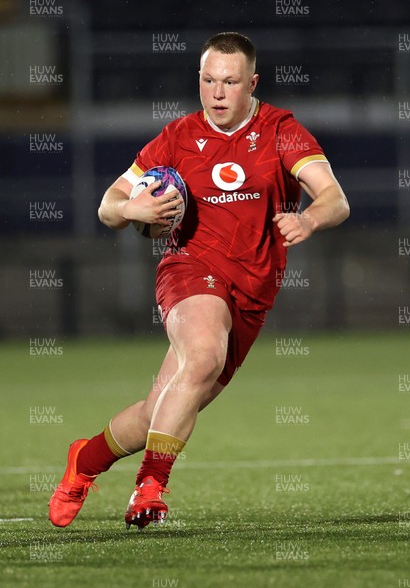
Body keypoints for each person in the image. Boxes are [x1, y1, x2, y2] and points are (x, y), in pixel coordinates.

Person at [49, 31, 350, 530]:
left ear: (251, 82)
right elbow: (108, 207)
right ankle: (150, 488)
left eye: (230, 82)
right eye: (208, 80)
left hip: (253, 290)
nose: (216, 92)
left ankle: (85, 461)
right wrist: (131, 207)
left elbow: (335, 197)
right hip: (189, 269)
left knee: (165, 406)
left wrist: (311, 220)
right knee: (204, 355)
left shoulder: (281, 130)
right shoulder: (177, 137)